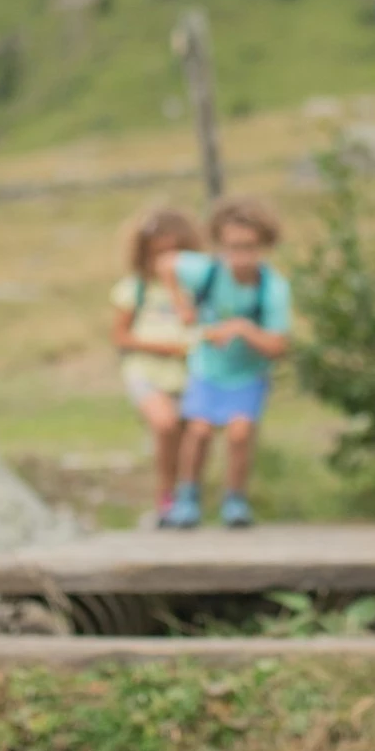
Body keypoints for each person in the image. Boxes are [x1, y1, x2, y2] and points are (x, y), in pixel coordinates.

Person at [159, 196, 292, 530]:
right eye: (232, 247)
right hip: (208, 368)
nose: (240, 256)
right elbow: (165, 264)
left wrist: (243, 329)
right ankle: (187, 497)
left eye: (249, 247)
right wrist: (182, 306)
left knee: (239, 432)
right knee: (200, 430)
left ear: (263, 245)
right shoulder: (206, 271)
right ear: (220, 244)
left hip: (248, 373)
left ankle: (235, 500)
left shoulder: (273, 288)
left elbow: (278, 345)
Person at [110, 206, 205, 526]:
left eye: (174, 252)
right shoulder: (134, 288)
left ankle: (184, 497)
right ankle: (166, 495)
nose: (166, 261)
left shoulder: (197, 289)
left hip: (188, 373)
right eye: (158, 254)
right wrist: (164, 347)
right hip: (146, 371)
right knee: (164, 424)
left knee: (186, 435)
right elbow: (120, 336)